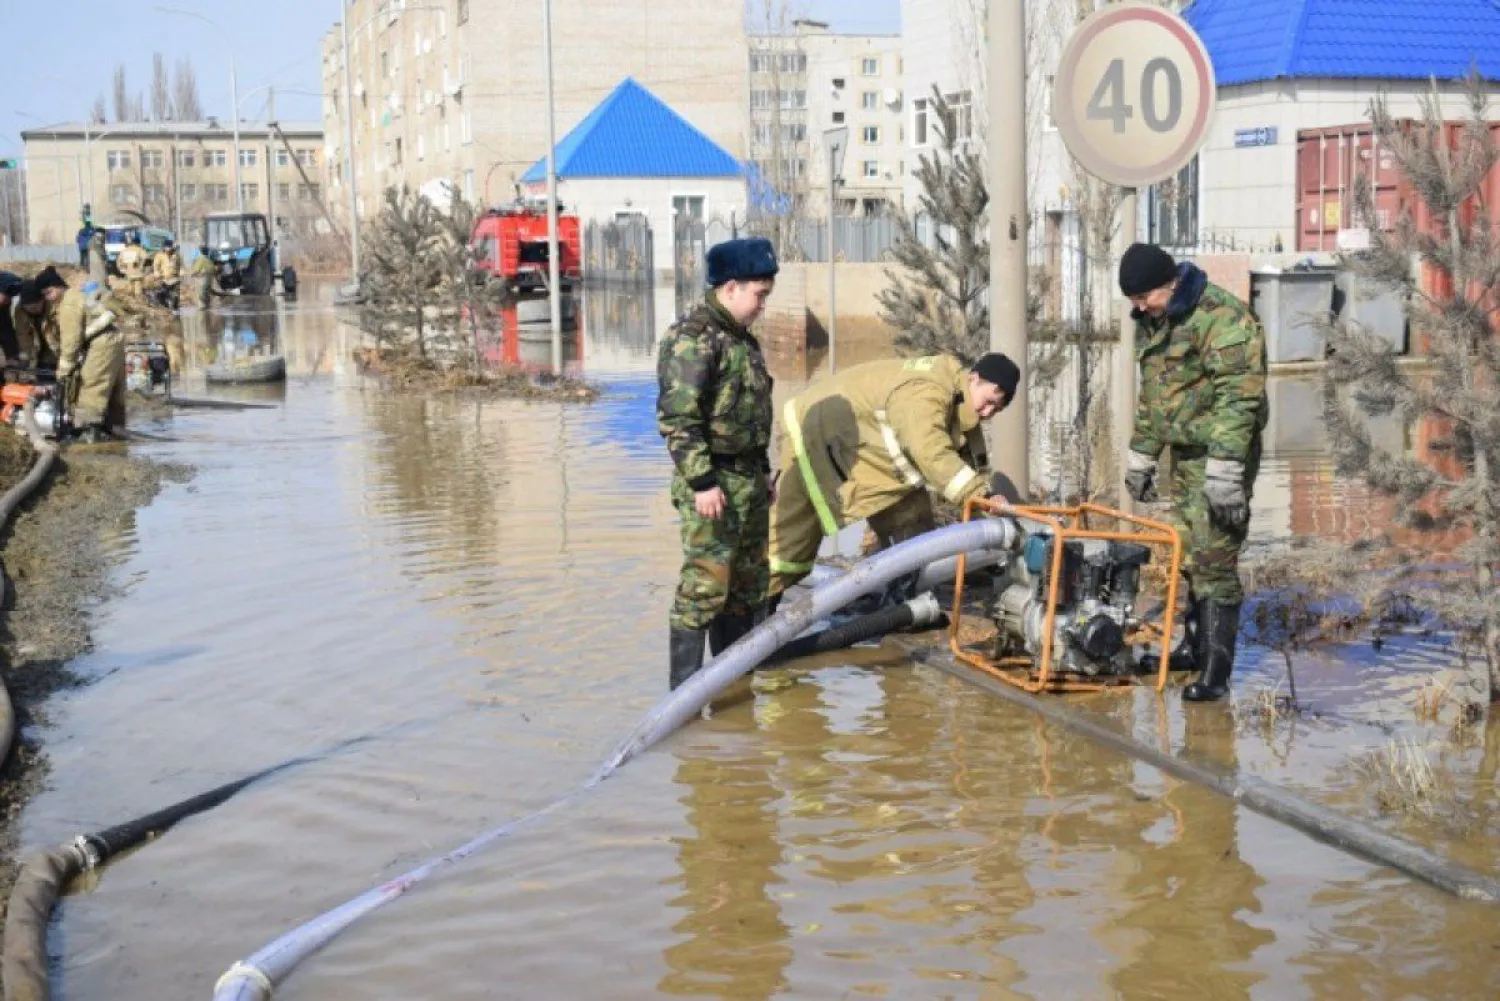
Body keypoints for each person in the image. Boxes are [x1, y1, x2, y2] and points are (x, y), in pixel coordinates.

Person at [1119, 243, 1267, 703]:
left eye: (1144, 297)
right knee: (1187, 552)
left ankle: (1216, 673)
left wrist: (1225, 468)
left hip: (1220, 455)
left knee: (1215, 558)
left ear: (1170, 283)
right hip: (1183, 455)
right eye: (1134, 301)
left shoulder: (1223, 318)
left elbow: (1239, 397)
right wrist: (1142, 454)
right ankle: (1192, 647)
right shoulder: (1155, 320)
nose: (1140, 308)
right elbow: (1156, 395)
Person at [766, 352, 1018, 604]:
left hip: (865, 457)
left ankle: (895, 605)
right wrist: (982, 496)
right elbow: (930, 452)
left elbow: (973, 467)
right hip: (814, 440)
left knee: (914, 533)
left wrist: (991, 523)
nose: (986, 412)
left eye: (995, 409)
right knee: (789, 553)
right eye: (987, 401)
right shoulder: (927, 391)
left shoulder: (961, 404)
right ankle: (750, 619)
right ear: (973, 378)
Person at [657, 237, 778, 690]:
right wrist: (704, 482)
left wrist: (763, 471)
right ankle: (683, 702)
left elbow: (750, 413)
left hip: (748, 481)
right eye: (759, 295)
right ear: (730, 288)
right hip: (713, 484)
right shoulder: (693, 339)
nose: (762, 305)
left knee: (746, 592)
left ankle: (733, 692)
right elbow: (678, 420)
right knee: (705, 589)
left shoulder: (741, 340)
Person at [18, 269, 129, 443]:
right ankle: (115, 430)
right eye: (45, 294)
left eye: (49, 292)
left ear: (59, 287)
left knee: (91, 384)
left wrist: (63, 369)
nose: (48, 298)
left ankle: (88, 433)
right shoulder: (72, 298)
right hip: (111, 339)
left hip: (101, 342)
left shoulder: (68, 304)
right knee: (113, 389)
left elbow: (71, 340)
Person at [153, 238, 182, 310]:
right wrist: (156, 272)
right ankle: (165, 308)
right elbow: (156, 265)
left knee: (175, 296)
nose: (168, 248)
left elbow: (180, 265)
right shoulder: (159, 255)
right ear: (164, 247)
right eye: (167, 247)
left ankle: (175, 310)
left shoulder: (176, 255)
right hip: (163, 278)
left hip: (174, 278)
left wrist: (182, 272)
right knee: (162, 295)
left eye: (170, 247)